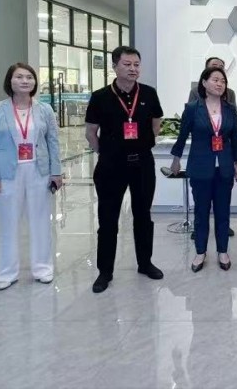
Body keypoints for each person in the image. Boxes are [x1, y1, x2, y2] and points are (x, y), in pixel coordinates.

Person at [85, 46, 165, 293]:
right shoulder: (100, 97)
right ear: (114, 66)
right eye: (127, 64)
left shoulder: (149, 93)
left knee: (143, 215)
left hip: (142, 163)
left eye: (136, 65)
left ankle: (145, 263)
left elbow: (156, 125)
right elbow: (91, 133)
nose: (133, 69)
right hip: (111, 165)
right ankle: (105, 271)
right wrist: (106, 152)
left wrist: (141, 144)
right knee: (108, 219)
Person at [0, 63, 63, 290]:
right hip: (8, 172)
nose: (25, 81)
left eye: (29, 77)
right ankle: (7, 272)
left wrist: (56, 171)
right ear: (10, 81)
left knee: (41, 221)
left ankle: (43, 268)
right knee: (8, 223)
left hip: (39, 171)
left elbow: (53, 142)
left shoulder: (44, 109)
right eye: (19, 77)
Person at [171, 67, 237, 272]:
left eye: (223, 81)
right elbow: (182, 136)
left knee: (223, 212)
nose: (220, 84)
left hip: (224, 168)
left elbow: (235, 139)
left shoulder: (229, 109)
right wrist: (176, 159)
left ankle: (223, 251)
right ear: (204, 83)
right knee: (201, 212)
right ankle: (200, 252)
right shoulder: (193, 108)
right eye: (215, 80)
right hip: (200, 167)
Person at [186, 56, 236, 238]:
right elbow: (190, 120)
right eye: (215, 67)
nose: (219, 70)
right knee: (202, 198)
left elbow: (232, 119)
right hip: (203, 151)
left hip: (222, 151)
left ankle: (222, 228)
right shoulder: (195, 93)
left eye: (222, 68)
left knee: (222, 197)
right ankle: (200, 229)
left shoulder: (229, 93)